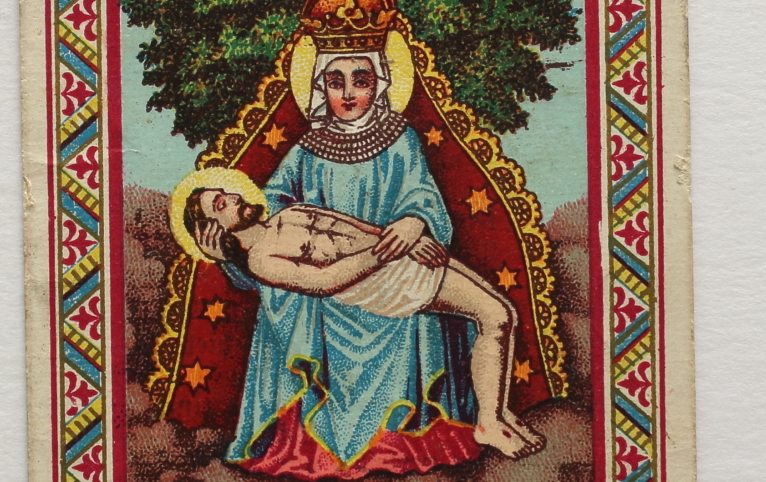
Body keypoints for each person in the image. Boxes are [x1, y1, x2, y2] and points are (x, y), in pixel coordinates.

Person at [185, 183, 545, 461]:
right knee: (496, 316)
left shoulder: (288, 213)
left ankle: (497, 411)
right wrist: (391, 250)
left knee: (502, 312)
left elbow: (356, 228)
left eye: (226, 193)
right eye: (221, 205)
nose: (234, 197)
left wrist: (407, 239)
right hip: (384, 281)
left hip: (395, 253)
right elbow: (326, 281)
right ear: (215, 230)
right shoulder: (261, 261)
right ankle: (489, 424)